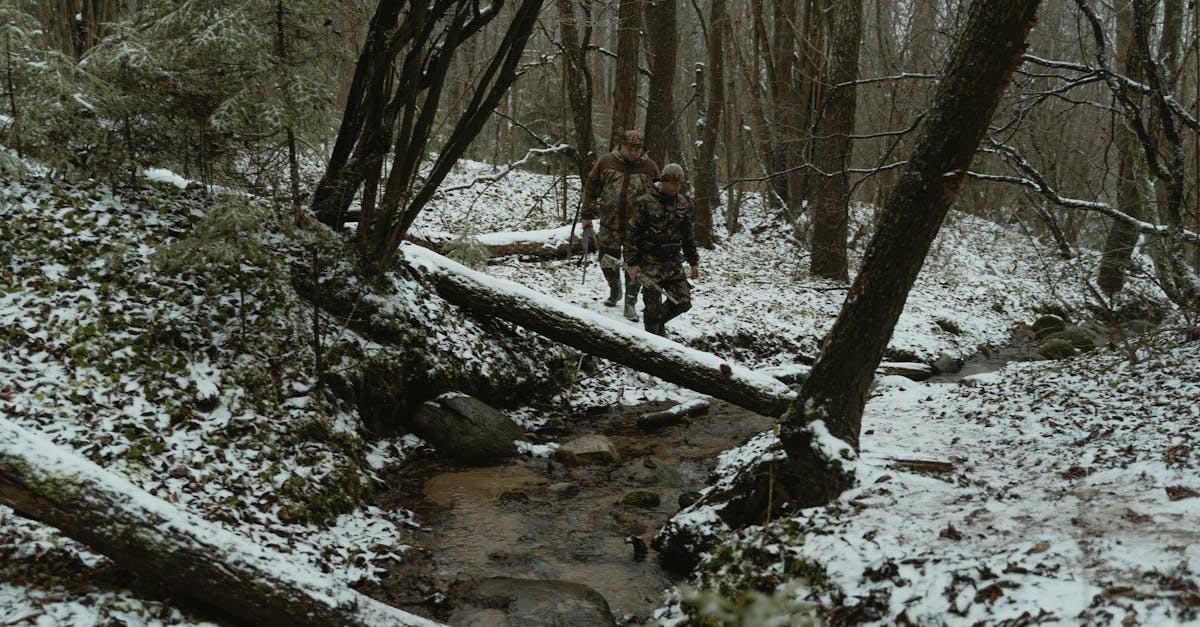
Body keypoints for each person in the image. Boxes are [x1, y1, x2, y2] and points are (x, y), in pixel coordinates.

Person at [580, 129, 660, 321]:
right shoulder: (606, 161)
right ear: (621, 146)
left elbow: (660, 196)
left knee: (635, 266)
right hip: (610, 223)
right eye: (629, 148)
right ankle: (615, 290)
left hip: (637, 228)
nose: (633, 152)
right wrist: (586, 215)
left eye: (637, 149)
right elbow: (590, 187)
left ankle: (630, 303)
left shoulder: (650, 167)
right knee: (607, 261)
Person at [626, 163, 698, 336]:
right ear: (663, 181)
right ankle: (653, 341)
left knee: (683, 301)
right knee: (652, 309)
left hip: (673, 262)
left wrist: (693, 261)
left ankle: (658, 326)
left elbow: (688, 235)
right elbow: (632, 234)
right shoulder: (645, 202)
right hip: (650, 262)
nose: (676, 188)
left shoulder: (682, 203)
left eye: (679, 184)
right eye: (673, 183)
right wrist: (632, 263)